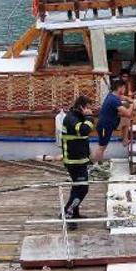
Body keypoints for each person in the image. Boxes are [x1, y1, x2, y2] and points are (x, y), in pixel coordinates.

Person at [60, 95, 95, 230]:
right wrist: (89, 117)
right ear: (81, 107)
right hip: (74, 161)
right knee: (82, 188)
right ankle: (67, 214)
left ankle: (75, 213)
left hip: (80, 159)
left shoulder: (77, 117)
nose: (90, 110)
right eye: (88, 107)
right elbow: (84, 130)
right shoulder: (71, 119)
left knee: (76, 188)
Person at [93, 79, 136, 163]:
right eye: (124, 88)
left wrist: (130, 100)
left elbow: (123, 97)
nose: (125, 90)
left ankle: (125, 140)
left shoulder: (112, 95)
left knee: (126, 120)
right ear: (120, 88)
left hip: (111, 122)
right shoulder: (113, 100)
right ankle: (97, 166)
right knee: (102, 147)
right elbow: (128, 113)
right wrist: (132, 104)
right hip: (104, 126)